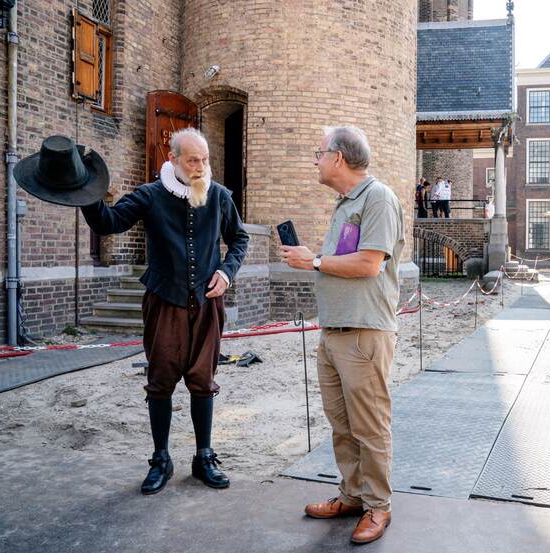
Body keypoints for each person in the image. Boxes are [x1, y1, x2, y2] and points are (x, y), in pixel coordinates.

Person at [80, 128, 249, 495]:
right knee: (160, 382)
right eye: (193, 160)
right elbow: (108, 222)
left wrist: (226, 271)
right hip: (164, 302)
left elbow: (240, 238)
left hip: (207, 303)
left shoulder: (218, 196)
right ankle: (161, 459)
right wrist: (87, 193)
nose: (201, 166)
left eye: (205, 159)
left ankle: (203, 456)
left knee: (203, 381)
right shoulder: (150, 195)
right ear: (173, 160)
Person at [280, 125, 404, 545]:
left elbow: (370, 264)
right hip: (333, 333)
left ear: (337, 157)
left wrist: (313, 260)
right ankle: (352, 496)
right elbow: (341, 262)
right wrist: (315, 261)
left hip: (364, 333)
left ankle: (378, 506)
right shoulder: (343, 204)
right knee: (341, 424)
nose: (314, 160)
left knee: (370, 426)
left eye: (318, 153)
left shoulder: (378, 199)